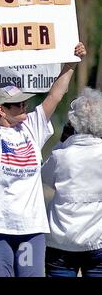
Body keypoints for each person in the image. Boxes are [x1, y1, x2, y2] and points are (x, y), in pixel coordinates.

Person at [0, 40, 86, 277]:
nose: (25, 106)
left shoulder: (33, 125)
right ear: (1, 109)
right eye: (18, 104)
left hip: (31, 229)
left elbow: (56, 94)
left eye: (25, 102)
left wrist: (72, 61)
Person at [41, 87, 102, 277]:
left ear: (72, 122)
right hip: (97, 240)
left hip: (61, 241)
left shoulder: (62, 156)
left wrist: (62, 142)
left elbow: (45, 176)